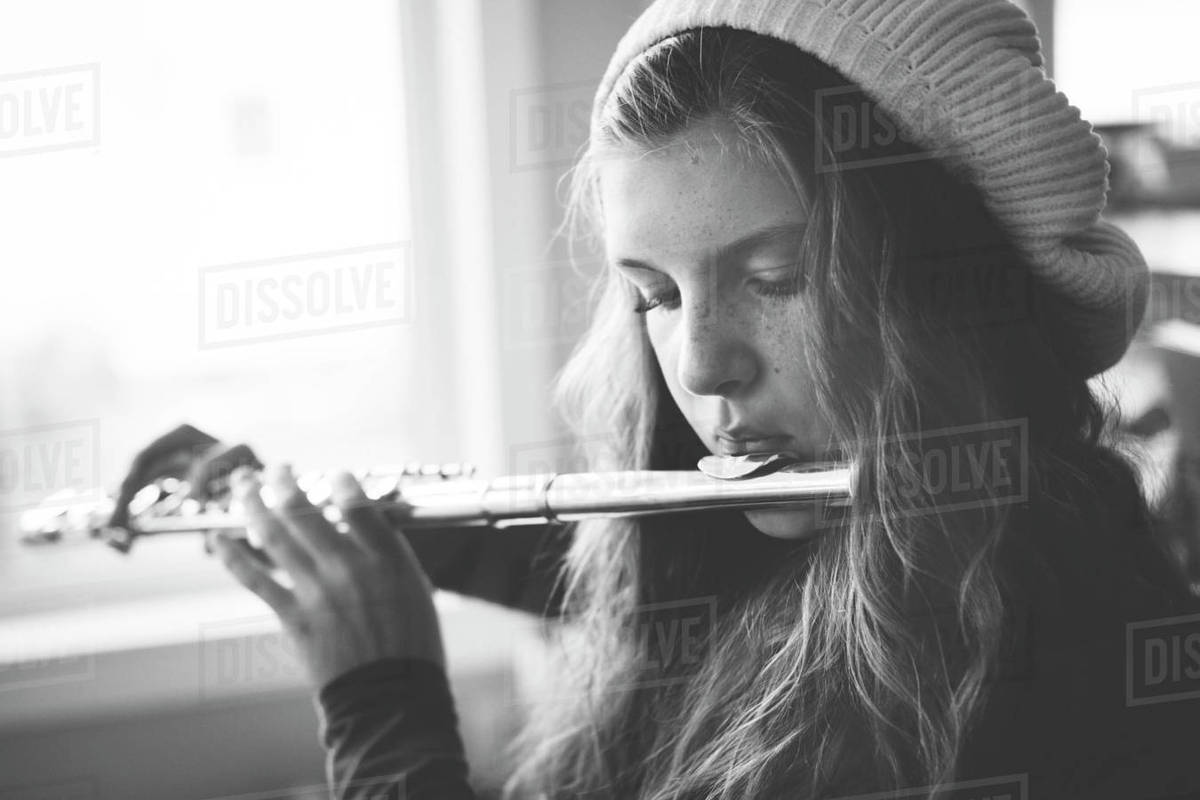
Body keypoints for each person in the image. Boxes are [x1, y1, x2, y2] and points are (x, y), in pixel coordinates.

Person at [109, 1, 1200, 798]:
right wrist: (325, 525)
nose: (702, 364)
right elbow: (664, 588)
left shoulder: (1036, 630)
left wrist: (378, 701)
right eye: (656, 294)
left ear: (947, 294)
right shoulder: (824, 521)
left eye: (775, 280)